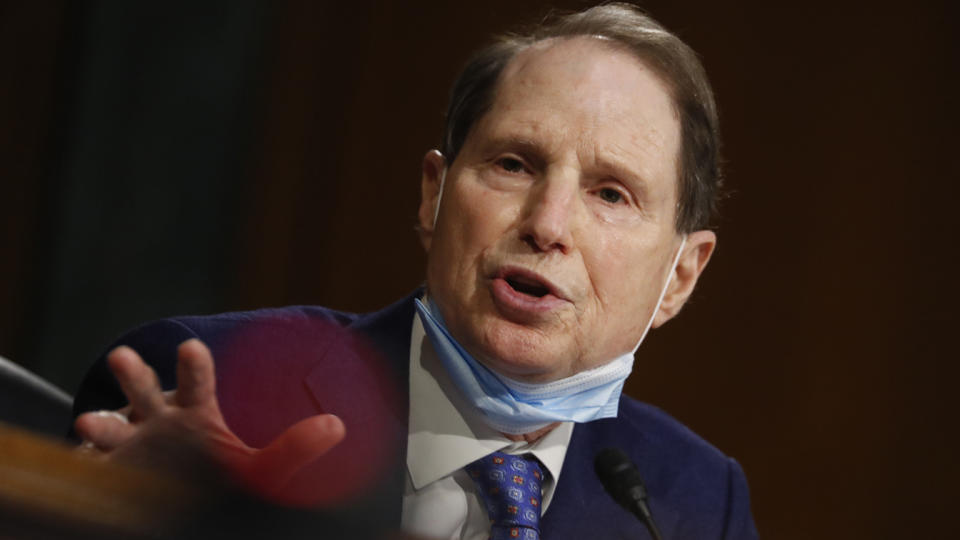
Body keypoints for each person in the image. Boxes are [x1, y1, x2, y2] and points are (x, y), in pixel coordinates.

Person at [72, 3, 759, 539]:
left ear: (680, 278)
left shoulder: (694, 502)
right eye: (513, 164)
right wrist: (139, 517)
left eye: (610, 194)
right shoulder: (207, 389)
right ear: (434, 195)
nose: (548, 225)